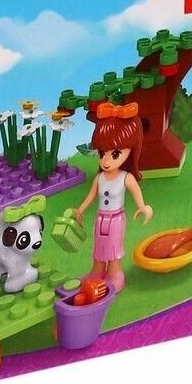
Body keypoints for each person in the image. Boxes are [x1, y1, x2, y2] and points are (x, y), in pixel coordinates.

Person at [74, 102, 153, 292]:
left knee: (114, 248)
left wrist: (143, 207)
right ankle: (97, 271)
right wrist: (80, 210)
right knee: (99, 248)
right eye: (102, 153)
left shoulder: (126, 177)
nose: (106, 160)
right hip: (100, 218)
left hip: (116, 219)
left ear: (131, 150)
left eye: (115, 154)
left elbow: (136, 193)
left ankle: (115, 273)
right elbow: (91, 196)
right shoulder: (100, 178)